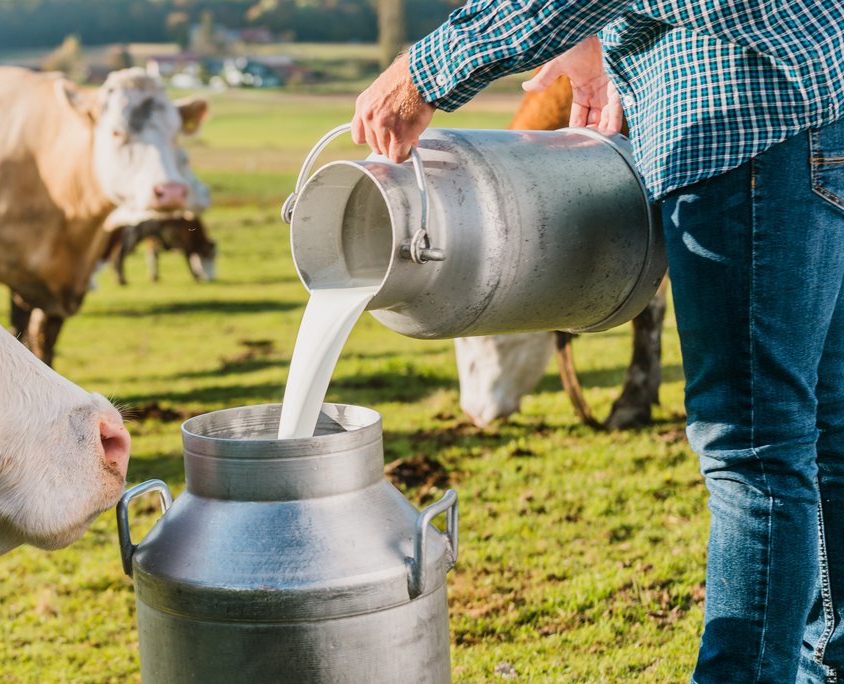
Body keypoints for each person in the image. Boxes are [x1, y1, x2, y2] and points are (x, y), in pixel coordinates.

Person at [351, 2, 844, 681]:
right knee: (822, 429)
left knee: (753, 442)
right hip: (816, 105)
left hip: (742, 114)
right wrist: (600, 39)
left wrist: (421, 75)